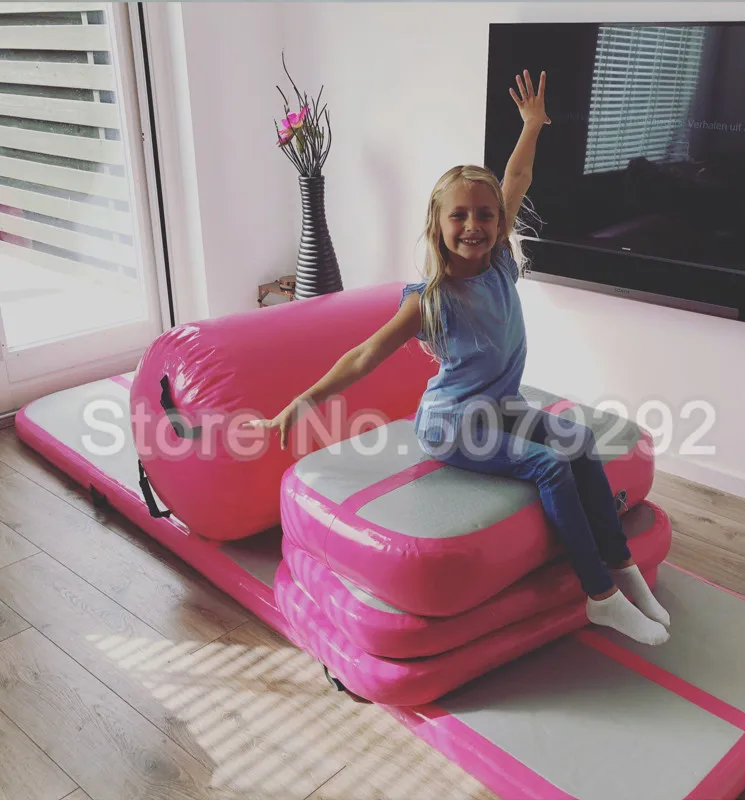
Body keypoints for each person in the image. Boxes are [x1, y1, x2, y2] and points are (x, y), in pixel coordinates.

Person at [247, 69, 670, 646]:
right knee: (549, 466)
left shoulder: (499, 262)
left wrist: (532, 125)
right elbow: (365, 355)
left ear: (499, 223)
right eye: (459, 215)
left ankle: (622, 568)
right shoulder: (431, 299)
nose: (474, 225)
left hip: (501, 407)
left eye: (485, 214)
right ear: (438, 224)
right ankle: (600, 596)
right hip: (451, 426)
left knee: (578, 442)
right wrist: (304, 401)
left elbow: (516, 177)